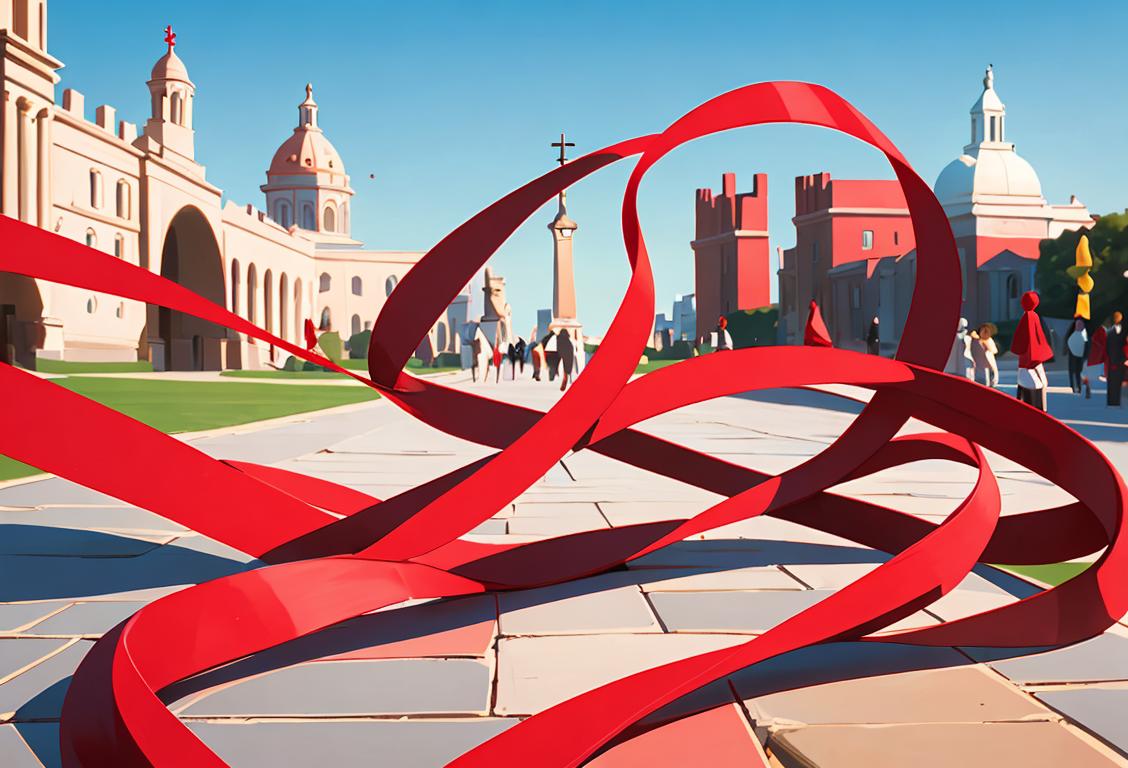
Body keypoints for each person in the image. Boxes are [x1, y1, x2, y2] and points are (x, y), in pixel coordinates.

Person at [1010, 291, 1053, 411]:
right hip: (1033, 362)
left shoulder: (1027, 317)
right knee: (1040, 384)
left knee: (1033, 386)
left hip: (1027, 363)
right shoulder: (1034, 317)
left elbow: (1022, 340)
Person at [1065, 317, 1089, 394]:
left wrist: (1085, 354)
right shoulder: (1075, 331)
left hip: (1078, 354)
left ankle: (1077, 387)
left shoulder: (1083, 332)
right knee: (1074, 371)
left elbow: (1086, 343)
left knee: (1077, 371)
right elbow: (1068, 340)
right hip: (1074, 353)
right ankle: (1074, 387)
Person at [970, 323, 999, 388]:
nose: (985, 333)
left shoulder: (989, 341)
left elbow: (994, 351)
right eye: (983, 331)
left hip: (987, 371)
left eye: (986, 331)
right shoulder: (975, 341)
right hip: (978, 372)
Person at [1107, 311, 1126, 406]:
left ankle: (1113, 401)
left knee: (1113, 381)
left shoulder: (1110, 331)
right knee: (1116, 381)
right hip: (1118, 360)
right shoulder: (1119, 331)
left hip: (1113, 360)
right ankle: (1114, 401)